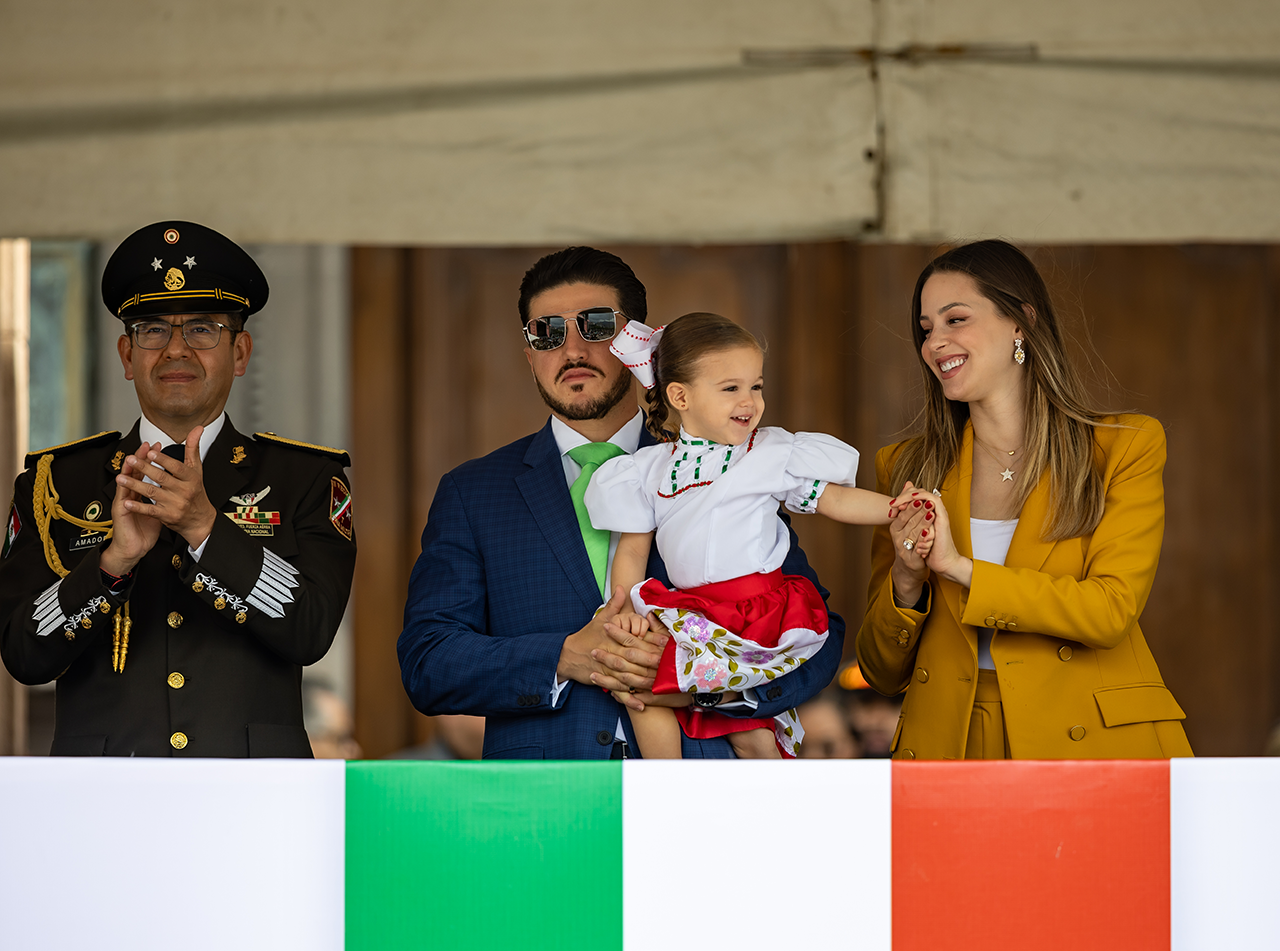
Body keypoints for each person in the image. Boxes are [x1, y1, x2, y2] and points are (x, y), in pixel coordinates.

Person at [397, 247, 844, 758]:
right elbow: (428, 660)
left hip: (702, 787)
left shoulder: (729, 462)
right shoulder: (473, 492)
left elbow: (818, 630)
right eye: (547, 333)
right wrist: (564, 656)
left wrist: (711, 686)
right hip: (548, 796)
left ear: (639, 344)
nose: (571, 350)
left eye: (596, 325)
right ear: (530, 356)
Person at [0, 220, 357, 757]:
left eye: (202, 329)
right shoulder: (55, 484)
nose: (175, 350)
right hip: (103, 790)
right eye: (152, 329)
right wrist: (110, 565)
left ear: (241, 353)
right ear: (127, 356)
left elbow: (311, 629)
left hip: (251, 790)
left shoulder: (303, 479)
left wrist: (206, 530)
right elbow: (23, 654)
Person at [855, 239, 1192, 759]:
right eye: (926, 329)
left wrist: (960, 569)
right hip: (954, 745)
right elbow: (881, 671)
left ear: (1021, 322)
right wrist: (907, 580)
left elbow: (1109, 611)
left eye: (955, 319)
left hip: (1094, 743)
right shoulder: (904, 467)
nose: (935, 343)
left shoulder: (1123, 447)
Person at [584, 313, 903, 758]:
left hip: (755, 613)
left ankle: (764, 794)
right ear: (680, 396)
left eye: (756, 386)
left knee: (748, 731)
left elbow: (833, 500)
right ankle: (665, 783)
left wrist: (897, 510)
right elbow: (632, 551)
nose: (750, 400)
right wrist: (623, 611)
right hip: (694, 615)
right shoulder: (648, 470)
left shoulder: (769, 452)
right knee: (639, 688)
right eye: (731, 388)